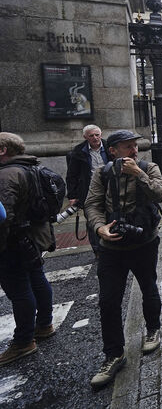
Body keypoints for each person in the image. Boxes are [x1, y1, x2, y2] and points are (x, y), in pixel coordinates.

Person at [83, 131, 162, 388]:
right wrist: (99, 228)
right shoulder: (102, 173)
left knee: (148, 286)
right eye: (127, 147)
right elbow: (92, 204)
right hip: (111, 246)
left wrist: (139, 175)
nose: (133, 151)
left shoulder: (148, 167)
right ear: (113, 151)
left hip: (144, 242)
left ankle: (153, 329)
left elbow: (160, 194)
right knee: (108, 301)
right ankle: (114, 354)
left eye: (135, 146)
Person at [0, 132, 55, 366]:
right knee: (36, 278)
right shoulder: (31, 167)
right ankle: (44, 324)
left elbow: (5, 216)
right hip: (31, 237)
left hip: (12, 241)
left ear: (3, 150)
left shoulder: (7, 174)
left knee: (20, 289)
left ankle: (23, 341)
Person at [66, 124, 109, 253]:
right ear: (85, 137)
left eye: (97, 135)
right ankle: (97, 250)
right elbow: (72, 175)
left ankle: (110, 245)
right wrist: (72, 196)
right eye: (91, 136)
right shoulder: (78, 152)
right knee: (92, 220)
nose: (95, 138)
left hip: (109, 189)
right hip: (89, 191)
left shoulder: (110, 147)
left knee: (110, 217)